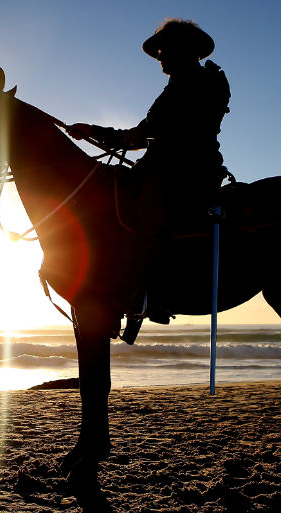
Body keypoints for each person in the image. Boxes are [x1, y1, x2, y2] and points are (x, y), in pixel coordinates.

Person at [67, 18, 231, 327]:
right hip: (163, 166)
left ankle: (150, 294)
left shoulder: (199, 82)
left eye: (163, 50)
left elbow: (149, 133)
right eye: (158, 51)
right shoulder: (179, 84)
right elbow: (144, 134)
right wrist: (96, 131)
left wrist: (114, 134)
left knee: (147, 210)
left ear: (183, 50)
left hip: (186, 171)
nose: (159, 57)